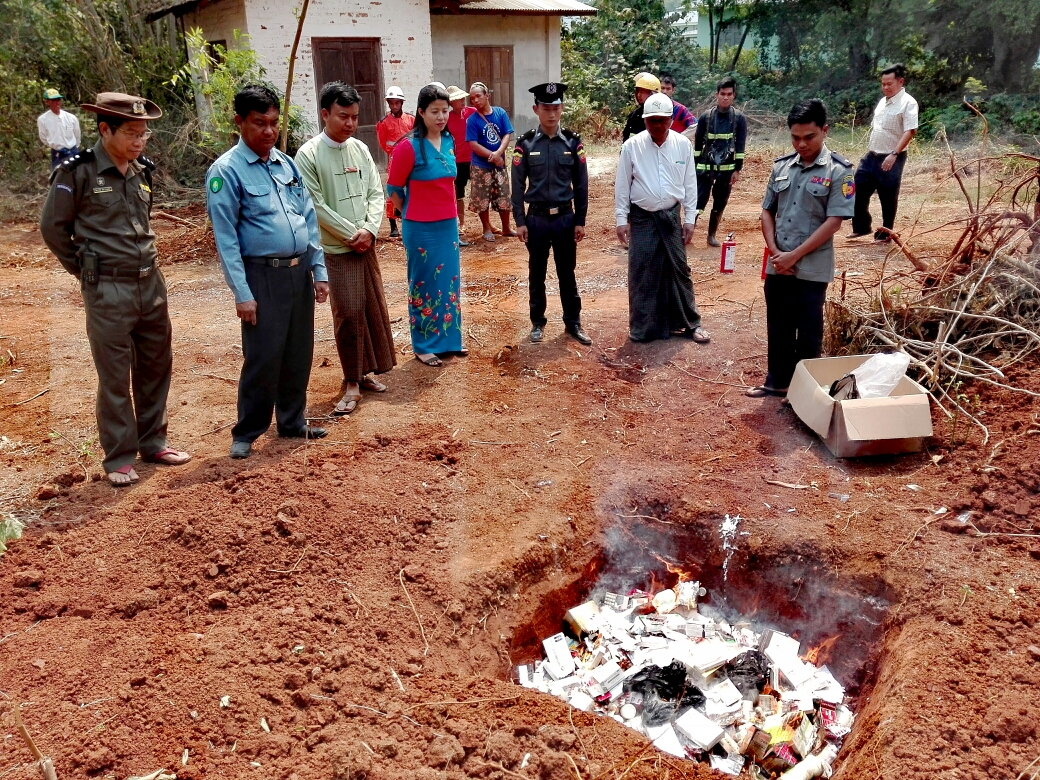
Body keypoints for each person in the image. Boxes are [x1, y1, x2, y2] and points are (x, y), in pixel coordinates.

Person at [40, 92, 190, 486]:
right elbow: (53, 229)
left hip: (150, 282)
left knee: (156, 365)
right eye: (132, 133)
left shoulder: (143, 171)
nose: (140, 141)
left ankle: (154, 442)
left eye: (144, 134)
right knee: (114, 376)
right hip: (107, 289)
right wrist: (87, 271)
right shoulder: (77, 172)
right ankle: (120, 456)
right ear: (105, 130)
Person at [206, 84, 330, 459]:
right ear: (239, 122)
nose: (269, 131)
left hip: (298, 272)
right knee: (263, 356)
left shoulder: (286, 165)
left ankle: (292, 421)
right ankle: (247, 431)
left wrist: (319, 270)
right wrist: (242, 293)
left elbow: (307, 219)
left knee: (297, 352)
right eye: (260, 123)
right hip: (262, 276)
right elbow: (226, 239)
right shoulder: (226, 171)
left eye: (274, 123)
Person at [295, 82, 396, 417]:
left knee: (369, 308)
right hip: (336, 250)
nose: (350, 123)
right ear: (325, 114)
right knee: (349, 314)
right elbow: (314, 206)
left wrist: (370, 229)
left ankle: (364, 373)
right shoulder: (308, 155)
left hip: (365, 244)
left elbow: (376, 192)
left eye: (354, 116)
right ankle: (351, 380)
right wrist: (353, 234)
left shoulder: (361, 149)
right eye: (343, 116)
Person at [748, 99, 855, 398]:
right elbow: (767, 211)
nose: (802, 144)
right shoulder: (781, 167)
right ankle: (777, 382)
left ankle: (804, 395)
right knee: (778, 325)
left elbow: (834, 222)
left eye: (809, 137)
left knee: (808, 331)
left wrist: (793, 256)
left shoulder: (839, 171)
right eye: (795, 138)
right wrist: (775, 252)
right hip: (778, 263)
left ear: (825, 131)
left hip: (811, 267)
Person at [615, 93, 709, 344]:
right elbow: (622, 184)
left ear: (670, 120)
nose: (657, 125)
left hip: (671, 217)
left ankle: (691, 323)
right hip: (642, 218)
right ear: (645, 120)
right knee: (642, 270)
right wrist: (621, 218)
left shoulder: (683, 145)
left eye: (662, 120)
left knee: (679, 269)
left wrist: (690, 218)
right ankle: (643, 328)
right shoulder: (632, 146)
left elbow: (690, 183)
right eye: (652, 120)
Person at [387, 84, 466, 367]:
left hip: (447, 226)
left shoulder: (449, 140)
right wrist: (410, 210)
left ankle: (449, 340)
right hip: (420, 228)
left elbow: (450, 183)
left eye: (445, 110)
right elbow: (394, 189)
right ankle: (424, 345)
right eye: (435, 111)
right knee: (423, 284)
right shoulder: (408, 147)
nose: (441, 116)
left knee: (448, 282)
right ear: (421, 112)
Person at [511, 82, 592, 346]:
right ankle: (538, 322)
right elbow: (517, 185)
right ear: (536, 109)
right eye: (546, 108)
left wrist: (580, 220)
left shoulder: (572, 142)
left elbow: (581, 184)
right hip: (536, 219)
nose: (552, 113)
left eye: (556, 108)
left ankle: (573, 322)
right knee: (537, 272)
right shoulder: (525, 143)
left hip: (565, 219)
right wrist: (520, 221)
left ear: (562, 108)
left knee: (567, 272)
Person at [850, 63, 918, 241]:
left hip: (892, 156)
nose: (886, 87)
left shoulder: (908, 103)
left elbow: (910, 130)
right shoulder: (882, 102)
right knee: (857, 188)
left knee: (887, 195)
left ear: (900, 82)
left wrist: (894, 154)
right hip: (872, 155)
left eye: (889, 84)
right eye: (883, 84)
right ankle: (861, 227)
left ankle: (886, 232)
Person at [694, 77, 748, 247]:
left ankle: (711, 235)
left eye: (729, 94)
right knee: (698, 200)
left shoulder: (739, 118)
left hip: (727, 169)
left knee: (720, 201)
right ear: (716, 95)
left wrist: (737, 169)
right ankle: (688, 230)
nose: (725, 97)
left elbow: (740, 145)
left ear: (734, 95)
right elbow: (698, 143)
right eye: (722, 94)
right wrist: (695, 166)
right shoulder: (706, 117)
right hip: (705, 167)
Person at [466, 82, 515, 242]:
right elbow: (473, 144)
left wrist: (499, 153)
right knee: (482, 198)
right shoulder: (472, 120)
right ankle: (486, 228)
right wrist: (493, 156)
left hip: (499, 164)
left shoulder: (500, 113)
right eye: (472, 98)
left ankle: (506, 227)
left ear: (487, 96)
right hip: (480, 166)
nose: (475, 100)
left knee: (503, 196)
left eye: (478, 96)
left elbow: (507, 134)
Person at [375, 86, 415, 238]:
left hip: (411, 159)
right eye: (391, 103)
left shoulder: (411, 120)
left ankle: (410, 219)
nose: (394, 106)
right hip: (394, 160)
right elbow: (383, 143)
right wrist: (395, 154)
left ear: (401, 103)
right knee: (392, 191)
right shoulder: (383, 122)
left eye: (397, 102)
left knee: (412, 188)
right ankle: (393, 225)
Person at [446, 85, 476, 245]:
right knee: (458, 194)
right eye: (458, 99)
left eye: (463, 98)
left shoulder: (472, 112)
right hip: (456, 161)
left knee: (481, 192)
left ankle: (487, 225)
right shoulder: (447, 118)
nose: (462, 101)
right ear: (451, 103)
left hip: (474, 159)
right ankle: (462, 224)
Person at [37, 87, 81, 170]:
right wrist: (55, 145)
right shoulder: (43, 120)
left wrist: (73, 147)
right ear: (47, 102)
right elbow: (43, 137)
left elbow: (77, 134)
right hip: (57, 153)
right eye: (53, 100)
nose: (57, 103)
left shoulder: (71, 118)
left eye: (58, 100)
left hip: (72, 151)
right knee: (57, 175)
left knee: (78, 173)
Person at [621, 73, 661, 142]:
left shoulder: (661, 115)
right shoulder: (634, 115)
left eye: (642, 91)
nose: (639, 94)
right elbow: (627, 138)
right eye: (638, 91)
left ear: (653, 93)